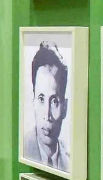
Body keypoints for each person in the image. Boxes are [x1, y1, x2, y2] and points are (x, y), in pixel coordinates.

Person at [24, 42, 70, 172]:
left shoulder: (70, 162)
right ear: (33, 102)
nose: (47, 115)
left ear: (65, 107)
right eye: (41, 99)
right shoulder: (23, 148)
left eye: (54, 101)